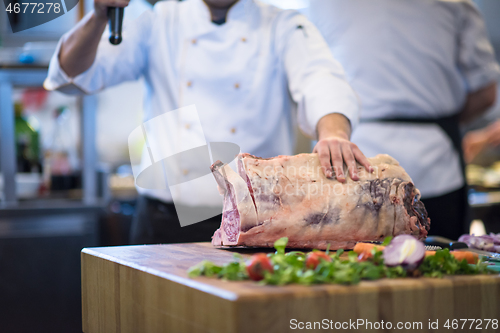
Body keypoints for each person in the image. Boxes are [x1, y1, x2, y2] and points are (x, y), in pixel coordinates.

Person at [44, 0, 371, 244]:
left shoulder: (282, 24)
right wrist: (99, 15)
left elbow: (322, 79)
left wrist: (333, 134)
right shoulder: (160, 21)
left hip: (257, 222)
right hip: (164, 221)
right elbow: (73, 75)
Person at [309, 0, 500, 240]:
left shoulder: (320, 5)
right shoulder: (457, 3)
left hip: (353, 163)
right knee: (441, 268)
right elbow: (485, 92)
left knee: (354, 268)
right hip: (433, 159)